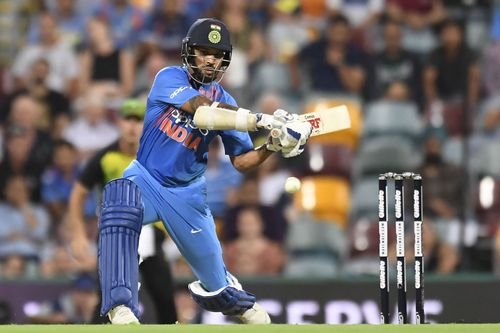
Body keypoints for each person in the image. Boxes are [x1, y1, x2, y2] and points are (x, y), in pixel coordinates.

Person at [89, 18, 312, 325]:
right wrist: (263, 120)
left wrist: (272, 145)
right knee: (117, 204)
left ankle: (243, 306)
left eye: (217, 54)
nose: (210, 59)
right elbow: (202, 110)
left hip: (188, 195)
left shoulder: (229, 102)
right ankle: (121, 306)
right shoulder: (168, 77)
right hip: (146, 178)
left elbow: (243, 161)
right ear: (189, 53)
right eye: (203, 51)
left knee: (220, 290)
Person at [68, 99, 177, 324]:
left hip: (149, 231)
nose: (132, 126)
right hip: (114, 232)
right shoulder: (106, 157)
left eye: (139, 121)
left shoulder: (157, 156)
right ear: (119, 122)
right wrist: (78, 234)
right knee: (108, 296)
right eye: (128, 119)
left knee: (163, 294)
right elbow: (78, 193)